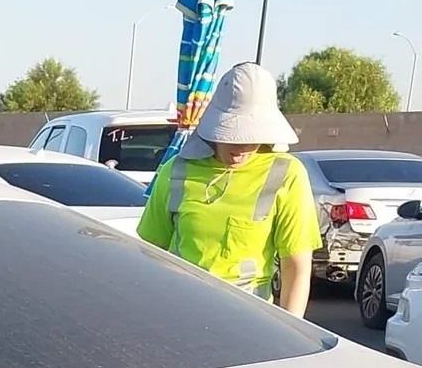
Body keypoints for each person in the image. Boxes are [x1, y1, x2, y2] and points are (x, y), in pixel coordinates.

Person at [136, 63, 321, 318]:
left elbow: (296, 266)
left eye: (250, 137)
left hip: (250, 321)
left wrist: (291, 331)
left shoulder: (287, 173)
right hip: (179, 316)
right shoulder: (175, 170)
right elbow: (149, 254)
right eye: (231, 136)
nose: (240, 148)